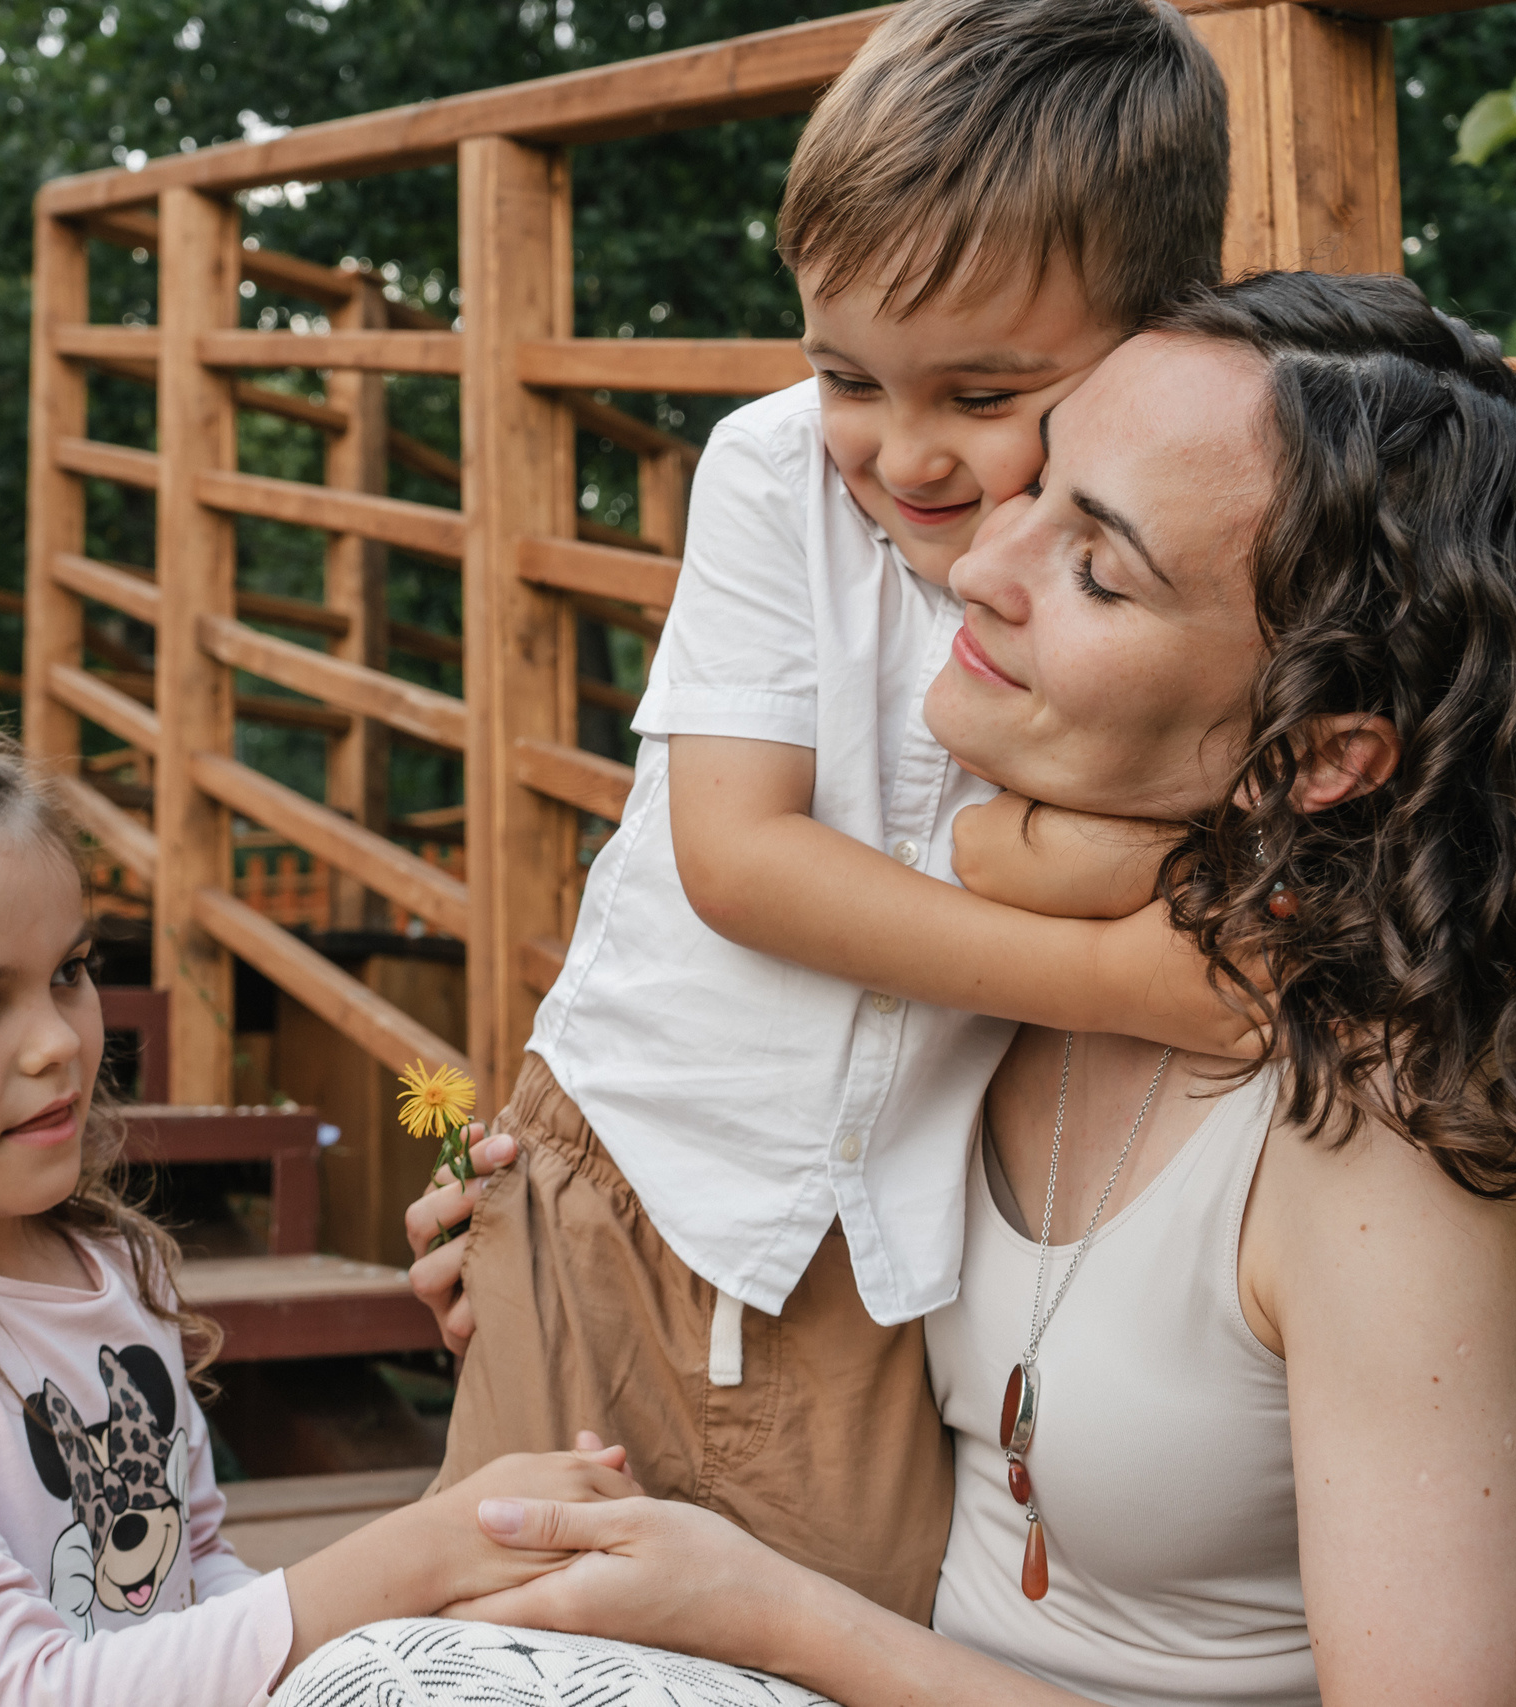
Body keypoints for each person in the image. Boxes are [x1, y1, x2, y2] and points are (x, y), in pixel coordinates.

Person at [317, 270, 1516, 1706]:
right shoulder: (997, 938)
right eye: (1043, 481)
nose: (977, 563)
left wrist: (775, 1617)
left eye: (1099, 567)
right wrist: (605, 1248)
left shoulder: (1376, 1140)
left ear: (1315, 754)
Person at [432, 0, 1244, 1627]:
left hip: (879, 1255)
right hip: (636, 1161)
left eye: (984, 390)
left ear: (1151, 342)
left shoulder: (1126, 571)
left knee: (829, 1627)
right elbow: (740, 857)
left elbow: (1076, 835)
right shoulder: (775, 472)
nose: (905, 450)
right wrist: (1123, 975)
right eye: (850, 374)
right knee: (494, 1618)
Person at [0, 719, 639, 1706]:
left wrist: (447, 1584)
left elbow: (193, 1588)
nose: (60, 1042)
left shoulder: (101, 1269)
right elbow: (3, 1692)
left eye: (70, 972)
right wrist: (411, 1559)